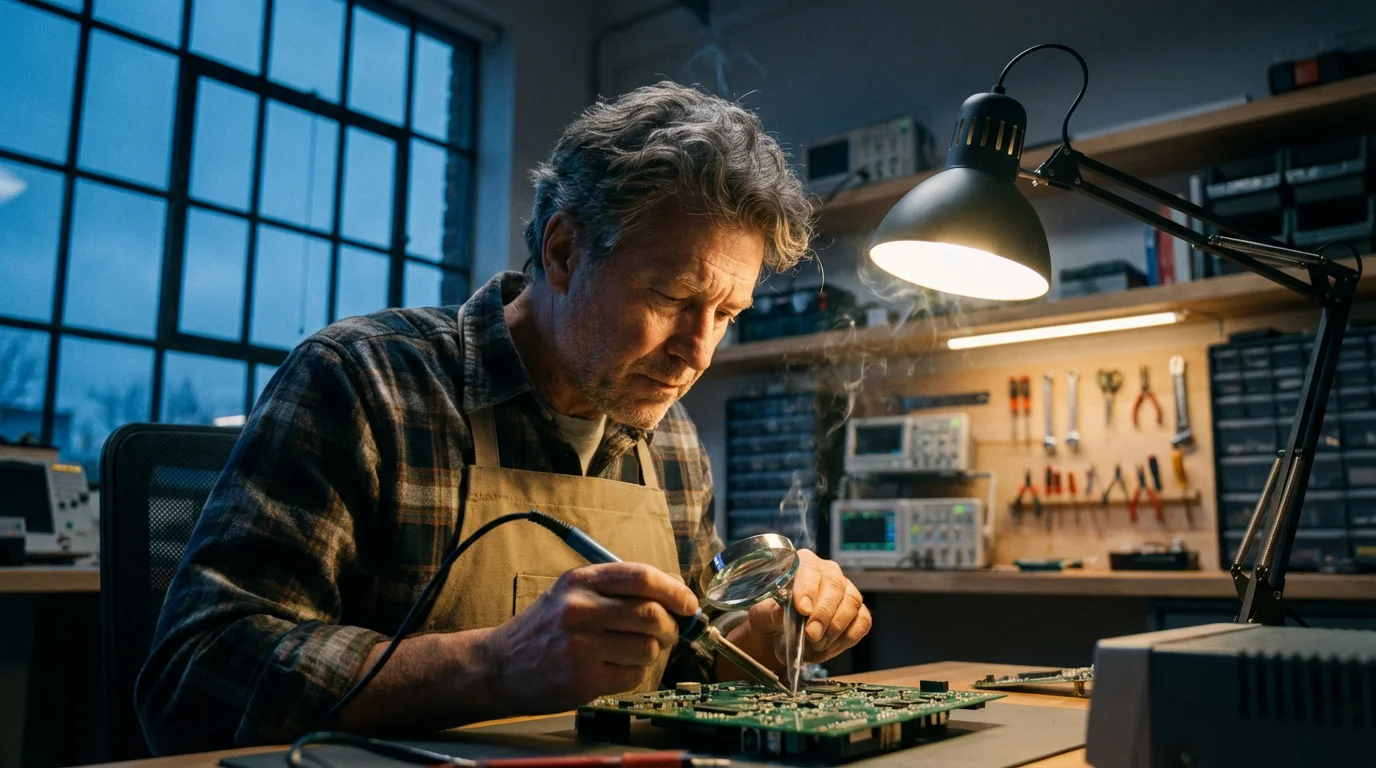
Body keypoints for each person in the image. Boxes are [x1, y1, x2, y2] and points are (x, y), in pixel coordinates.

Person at [136, 81, 872, 755]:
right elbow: (194, 679)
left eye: (726, 314)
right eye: (672, 297)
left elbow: (673, 665)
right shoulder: (364, 382)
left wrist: (759, 643)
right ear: (562, 250)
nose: (697, 351)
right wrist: (491, 666)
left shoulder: (671, 438)